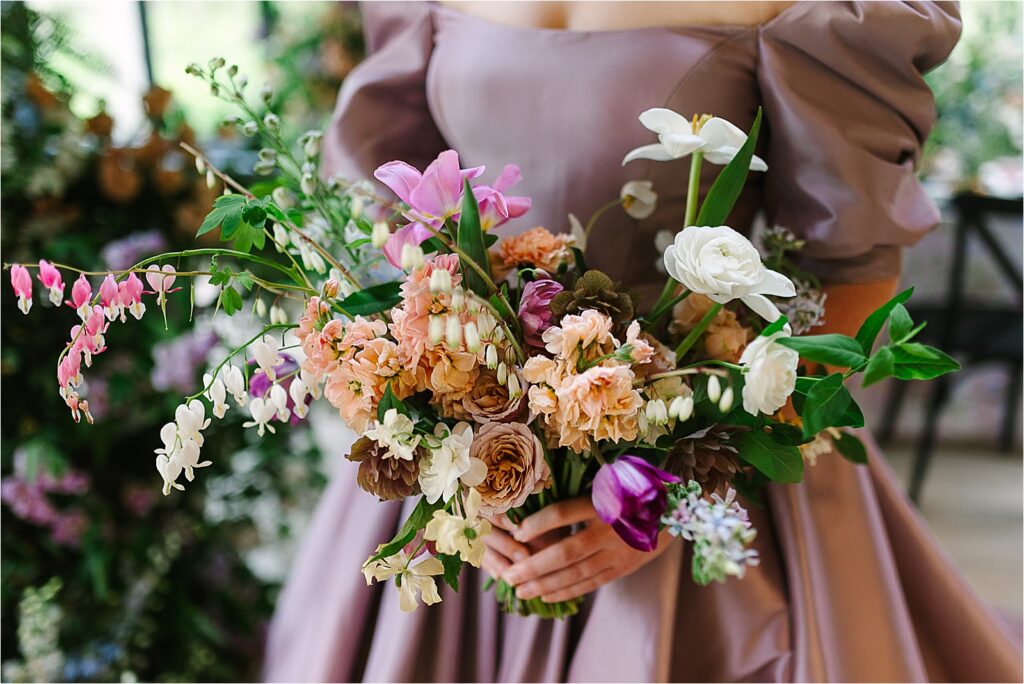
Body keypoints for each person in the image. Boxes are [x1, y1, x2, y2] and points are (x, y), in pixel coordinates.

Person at [264, 2, 1023, 681]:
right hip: (470, 465)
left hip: (694, 452)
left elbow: (852, 279)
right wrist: (452, 463)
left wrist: (675, 495)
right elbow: (393, 232)